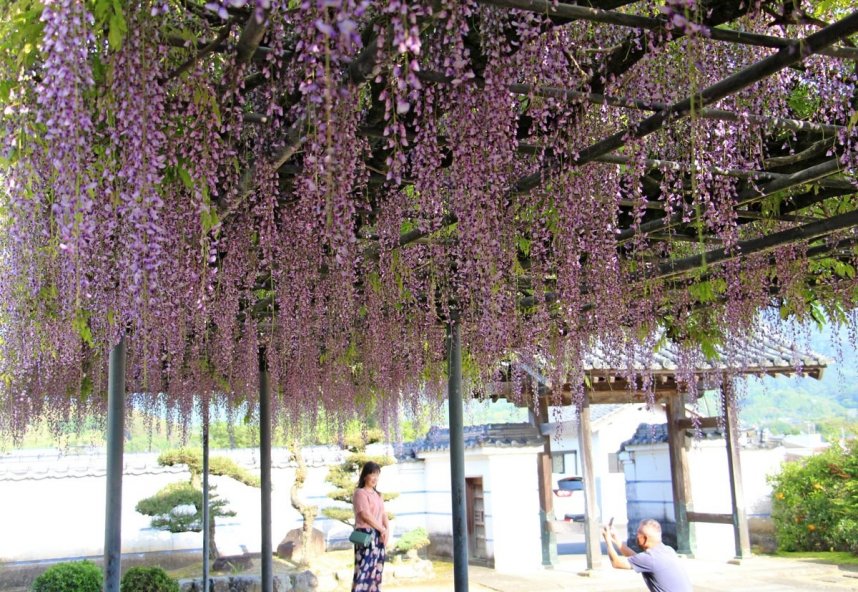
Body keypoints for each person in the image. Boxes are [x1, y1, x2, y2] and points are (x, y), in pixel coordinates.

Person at [602, 518, 692, 592]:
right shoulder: (668, 550)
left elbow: (616, 563)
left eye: (638, 534)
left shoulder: (650, 559)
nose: (636, 536)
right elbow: (637, 559)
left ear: (644, 538)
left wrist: (608, 541)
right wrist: (617, 540)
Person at [352, 461, 389, 592]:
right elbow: (365, 515)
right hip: (365, 535)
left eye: (377, 475)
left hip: (379, 536)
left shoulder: (379, 495)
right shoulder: (360, 493)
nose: (375, 478)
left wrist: (386, 531)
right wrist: (381, 529)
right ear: (365, 476)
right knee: (363, 569)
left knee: (376, 571)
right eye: (372, 474)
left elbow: (384, 514)